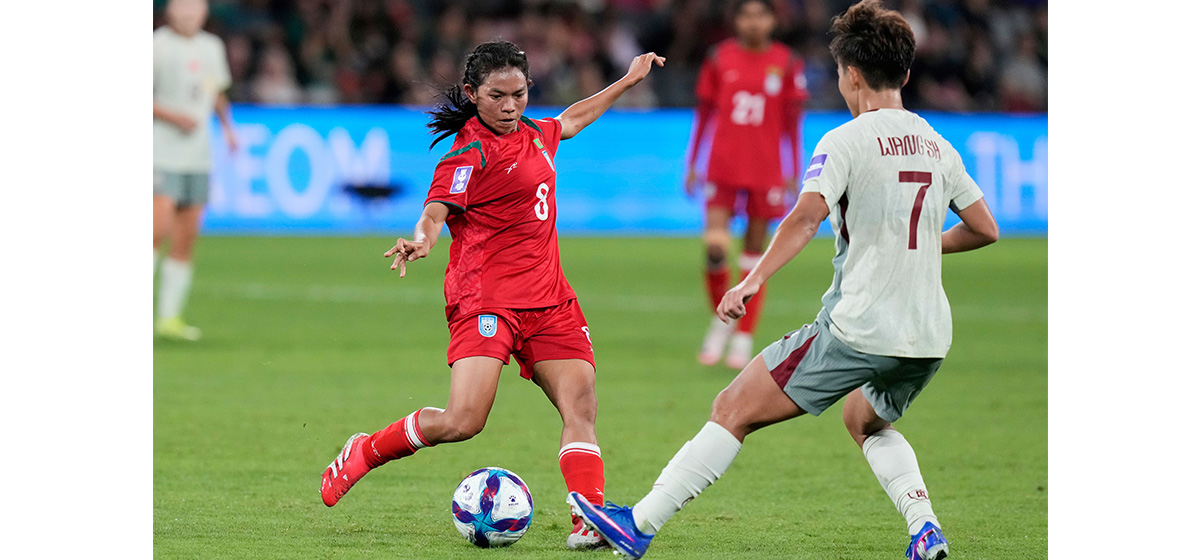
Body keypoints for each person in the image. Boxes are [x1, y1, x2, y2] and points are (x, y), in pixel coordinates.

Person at [568, 2, 999, 559]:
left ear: (851, 75)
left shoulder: (845, 140)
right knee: (864, 421)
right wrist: (917, 246)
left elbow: (804, 218)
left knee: (732, 408)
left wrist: (751, 280)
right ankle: (925, 529)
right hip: (927, 337)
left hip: (857, 328)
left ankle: (639, 524)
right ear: (907, 73)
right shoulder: (938, 145)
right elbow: (985, 229)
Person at [319, 40, 665, 551]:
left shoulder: (536, 133)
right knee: (463, 421)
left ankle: (587, 518)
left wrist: (628, 81)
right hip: (486, 300)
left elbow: (571, 119)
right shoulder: (469, 153)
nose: (509, 106)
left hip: (550, 300)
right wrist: (422, 240)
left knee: (581, 404)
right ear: (472, 94)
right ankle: (365, 450)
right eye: (497, 96)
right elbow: (435, 210)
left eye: (518, 94)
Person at [686, 0, 808, 369]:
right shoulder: (718, 58)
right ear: (736, 20)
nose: (753, 22)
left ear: (772, 20)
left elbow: (792, 124)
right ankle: (722, 322)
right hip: (722, 165)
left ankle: (743, 336)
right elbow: (704, 114)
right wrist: (692, 163)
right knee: (715, 247)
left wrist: (793, 170)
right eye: (746, 15)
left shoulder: (787, 62)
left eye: (761, 15)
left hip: (765, 169)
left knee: (755, 258)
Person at [152, 0, 237, 341]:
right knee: (155, 230)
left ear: (204, 12)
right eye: (183, 7)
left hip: (198, 155)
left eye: (195, 8)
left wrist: (228, 127)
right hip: (160, 153)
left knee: (186, 236)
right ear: (170, 10)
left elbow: (212, 89)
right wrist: (173, 116)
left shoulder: (211, 46)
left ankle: (169, 318)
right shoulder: (157, 46)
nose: (189, 14)